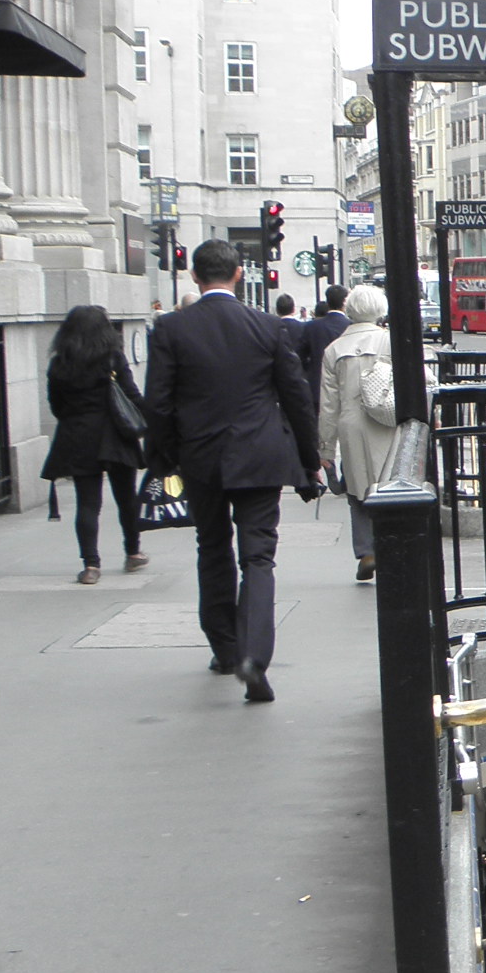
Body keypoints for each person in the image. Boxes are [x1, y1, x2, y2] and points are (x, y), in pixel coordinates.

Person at [145, 240, 322, 705]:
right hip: (260, 455)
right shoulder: (266, 326)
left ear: (194, 278)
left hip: (201, 458)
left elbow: (158, 403)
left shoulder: (171, 328)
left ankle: (224, 647)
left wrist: (165, 458)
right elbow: (297, 398)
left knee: (212, 547)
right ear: (239, 274)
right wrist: (309, 462)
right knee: (258, 557)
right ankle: (255, 656)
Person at [40, 305, 148, 585]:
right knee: (126, 498)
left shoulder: (60, 363)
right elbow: (132, 395)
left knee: (88, 504)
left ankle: (91, 565)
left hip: (78, 436)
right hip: (116, 436)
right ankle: (133, 552)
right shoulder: (112, 359)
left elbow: (56, 406)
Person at [317, 283, 396, 582]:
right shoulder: (390, 342)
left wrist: (325, 449)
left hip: (351, 424)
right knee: (391, 487)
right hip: (387, 420)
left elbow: (328, 405)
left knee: (357, 490)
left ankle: (366, 551)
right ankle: (392, 548)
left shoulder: (334, 350)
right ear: (380, 310)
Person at [298, 283, 348, 416]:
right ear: (344, 301)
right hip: (347, 387)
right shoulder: (350, 326)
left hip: (317, 385)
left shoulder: (312, 327)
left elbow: (299, 356)